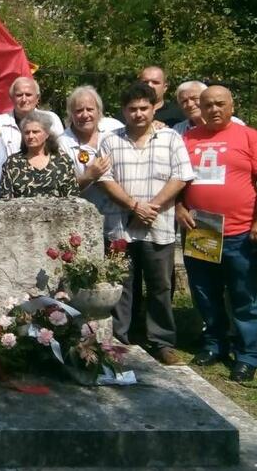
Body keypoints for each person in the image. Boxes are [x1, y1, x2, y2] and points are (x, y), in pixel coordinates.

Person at [177, 86, 257, 382]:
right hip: (201, 230)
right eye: (207, 105)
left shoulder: (250, 137)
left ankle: (247, 355)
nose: (213, 109)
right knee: (205, 293)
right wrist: (178, 207)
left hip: (240, 232)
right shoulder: (187, 139)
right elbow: (174, 178)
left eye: (220, 104)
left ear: (232, 106)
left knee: (244, 295)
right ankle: (215, 344)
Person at [97, 82, 195, 365]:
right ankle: (119, 339)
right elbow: (104, 179)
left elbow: (181, 175)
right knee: (121, 285)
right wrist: (134, 206)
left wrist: (151, 207)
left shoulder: (171, 138)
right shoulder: (110, 141)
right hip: (121, 226)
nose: (138, 114)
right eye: (132, 109)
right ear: (123, 111)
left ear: (154, 109)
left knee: (160, 286)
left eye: (143, 108)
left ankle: (161, 342)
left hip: (159, 224)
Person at [59, 85, 123, 213]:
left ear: (99, 111)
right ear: (71, 114)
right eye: (79, 110)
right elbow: (61, 189)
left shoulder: (115, 127)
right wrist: (88, 176)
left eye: (90, 109)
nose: (85, 115)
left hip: (121, 212)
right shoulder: (61, 143)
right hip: (85, 214)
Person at [0, 111, 78, 199]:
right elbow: (5, 199)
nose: (30, 136)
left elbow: (72, 197)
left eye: (35, 132)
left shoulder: (63, 161)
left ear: (47, 134)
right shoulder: (12, 163)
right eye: (27, 132)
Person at [0, 76, 65, 155]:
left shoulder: (51, 119)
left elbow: (61, 150)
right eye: (19, 95)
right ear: (11, 98)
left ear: (37, 98)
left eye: (28, 95)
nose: (24, 99)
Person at [172, 80, 244, 136]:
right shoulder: (178, 130)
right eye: (184, 101)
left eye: (195, 98)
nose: (189, 104)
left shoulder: (234, 123)